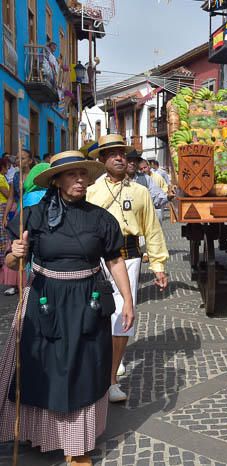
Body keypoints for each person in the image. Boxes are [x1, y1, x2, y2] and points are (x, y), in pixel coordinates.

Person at [0, 150, 133, 466]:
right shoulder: (34, 216)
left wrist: (128, 300)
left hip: (87, 301)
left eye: (83, 174)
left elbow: (114, 260)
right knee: (39, 368)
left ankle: (77, 446)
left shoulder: (101, 218)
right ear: (57, 180)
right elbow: (12, 263)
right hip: (44, 298)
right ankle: (36, 433)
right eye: (72, 174)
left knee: (82, 370)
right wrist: (16, 253)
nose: (80, 180)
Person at [87, 135, 169, 402]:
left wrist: (158, 265)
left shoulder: (140, 192)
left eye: (122, 153)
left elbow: (152, 230)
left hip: (130, 257)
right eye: (112, 153)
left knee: (124, 317)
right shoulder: (90, 191)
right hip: (96, 261)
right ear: (102, 159)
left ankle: (111, 381)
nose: (120, 157)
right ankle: (96, 370)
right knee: (95, 316)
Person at [2, 149, 36, 295]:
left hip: (33, 210)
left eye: (23, 158)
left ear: (30, 160)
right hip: (18, 212)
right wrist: (5, 216)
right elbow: (10, 197)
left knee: (29, 244)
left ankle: (28, 281)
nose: (19, 161)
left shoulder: (35, 175)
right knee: (15, 246)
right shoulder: (15, 177)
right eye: (18, 158)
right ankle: (15, 283)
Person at [0, 158, 10, 272]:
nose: (8, 168)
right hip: (2, 207)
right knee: (3, 234)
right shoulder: (1, 178)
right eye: (6, 166)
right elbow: (7, 194)